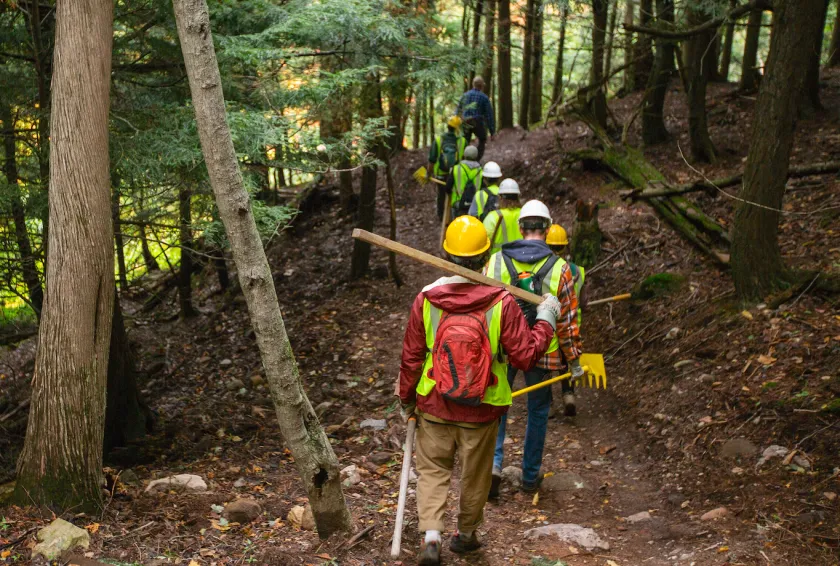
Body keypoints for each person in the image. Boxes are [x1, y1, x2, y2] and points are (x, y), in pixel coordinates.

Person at [398, 215, 563, 566]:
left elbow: (412, 356)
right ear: (485, 257)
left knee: (432, 470)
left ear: (446, 252)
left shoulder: (427, 298)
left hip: (434, 403)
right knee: (475, 474)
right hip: (483, 407)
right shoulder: (501, 302)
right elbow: (526, 355)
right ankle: (467, 535)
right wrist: (546, 318)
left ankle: (431, 537)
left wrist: (406, 400)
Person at [484, 201, 583, 496]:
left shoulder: (495, 262)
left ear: (519, 227)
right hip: (544, 350)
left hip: (503, 349)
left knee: (497, 407)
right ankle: (529, 477)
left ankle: (493, 465)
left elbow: (483, 308)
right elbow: (567, 321)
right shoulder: (562, 268)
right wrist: (574, 360)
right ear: (548, 228)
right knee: (538, 410)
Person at [546, 224, 587, 417]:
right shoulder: (577, 271)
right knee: (566, 359)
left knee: (544, 362)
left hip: (548, 322)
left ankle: (548, 404)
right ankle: (568, 394)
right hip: (570, 322)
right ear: (565, 247)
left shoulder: (543, 269)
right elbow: (583, 302)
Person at [429, 116, 467, 220]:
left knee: (441, 195)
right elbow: (465, 159)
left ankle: (441, 216)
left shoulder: (438, 140)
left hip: (440, 174)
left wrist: (429, 173)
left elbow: (432, 159)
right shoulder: (462, 141)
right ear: (458, 128)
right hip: (455, 174)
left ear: (448, 126)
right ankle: (453, 215)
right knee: (454, 193)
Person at [456, 76, 495, 160]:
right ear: (481, 86)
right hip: (478, 122)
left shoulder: (465, 95)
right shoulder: (484, 97)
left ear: (473, 84)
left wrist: (456, 125)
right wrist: (492, 131)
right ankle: (476, 159)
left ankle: (463, 159)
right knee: (482, 139)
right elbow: (489, 115)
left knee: (464, 141)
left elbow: (458, 110)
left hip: (465, 121)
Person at [482, 179, 523, 254]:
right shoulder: (525, 214)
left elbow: (483, 242)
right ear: (517, 197)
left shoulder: (493, 217)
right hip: (522, 260)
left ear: (500, 197)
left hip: (498, 262)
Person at [446, 145, 483, 218]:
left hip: (458, 204)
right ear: (476, 156)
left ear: (464, 155)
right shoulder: (481, 171)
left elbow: (448, 188)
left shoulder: (456, 168)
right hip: (475, 205)